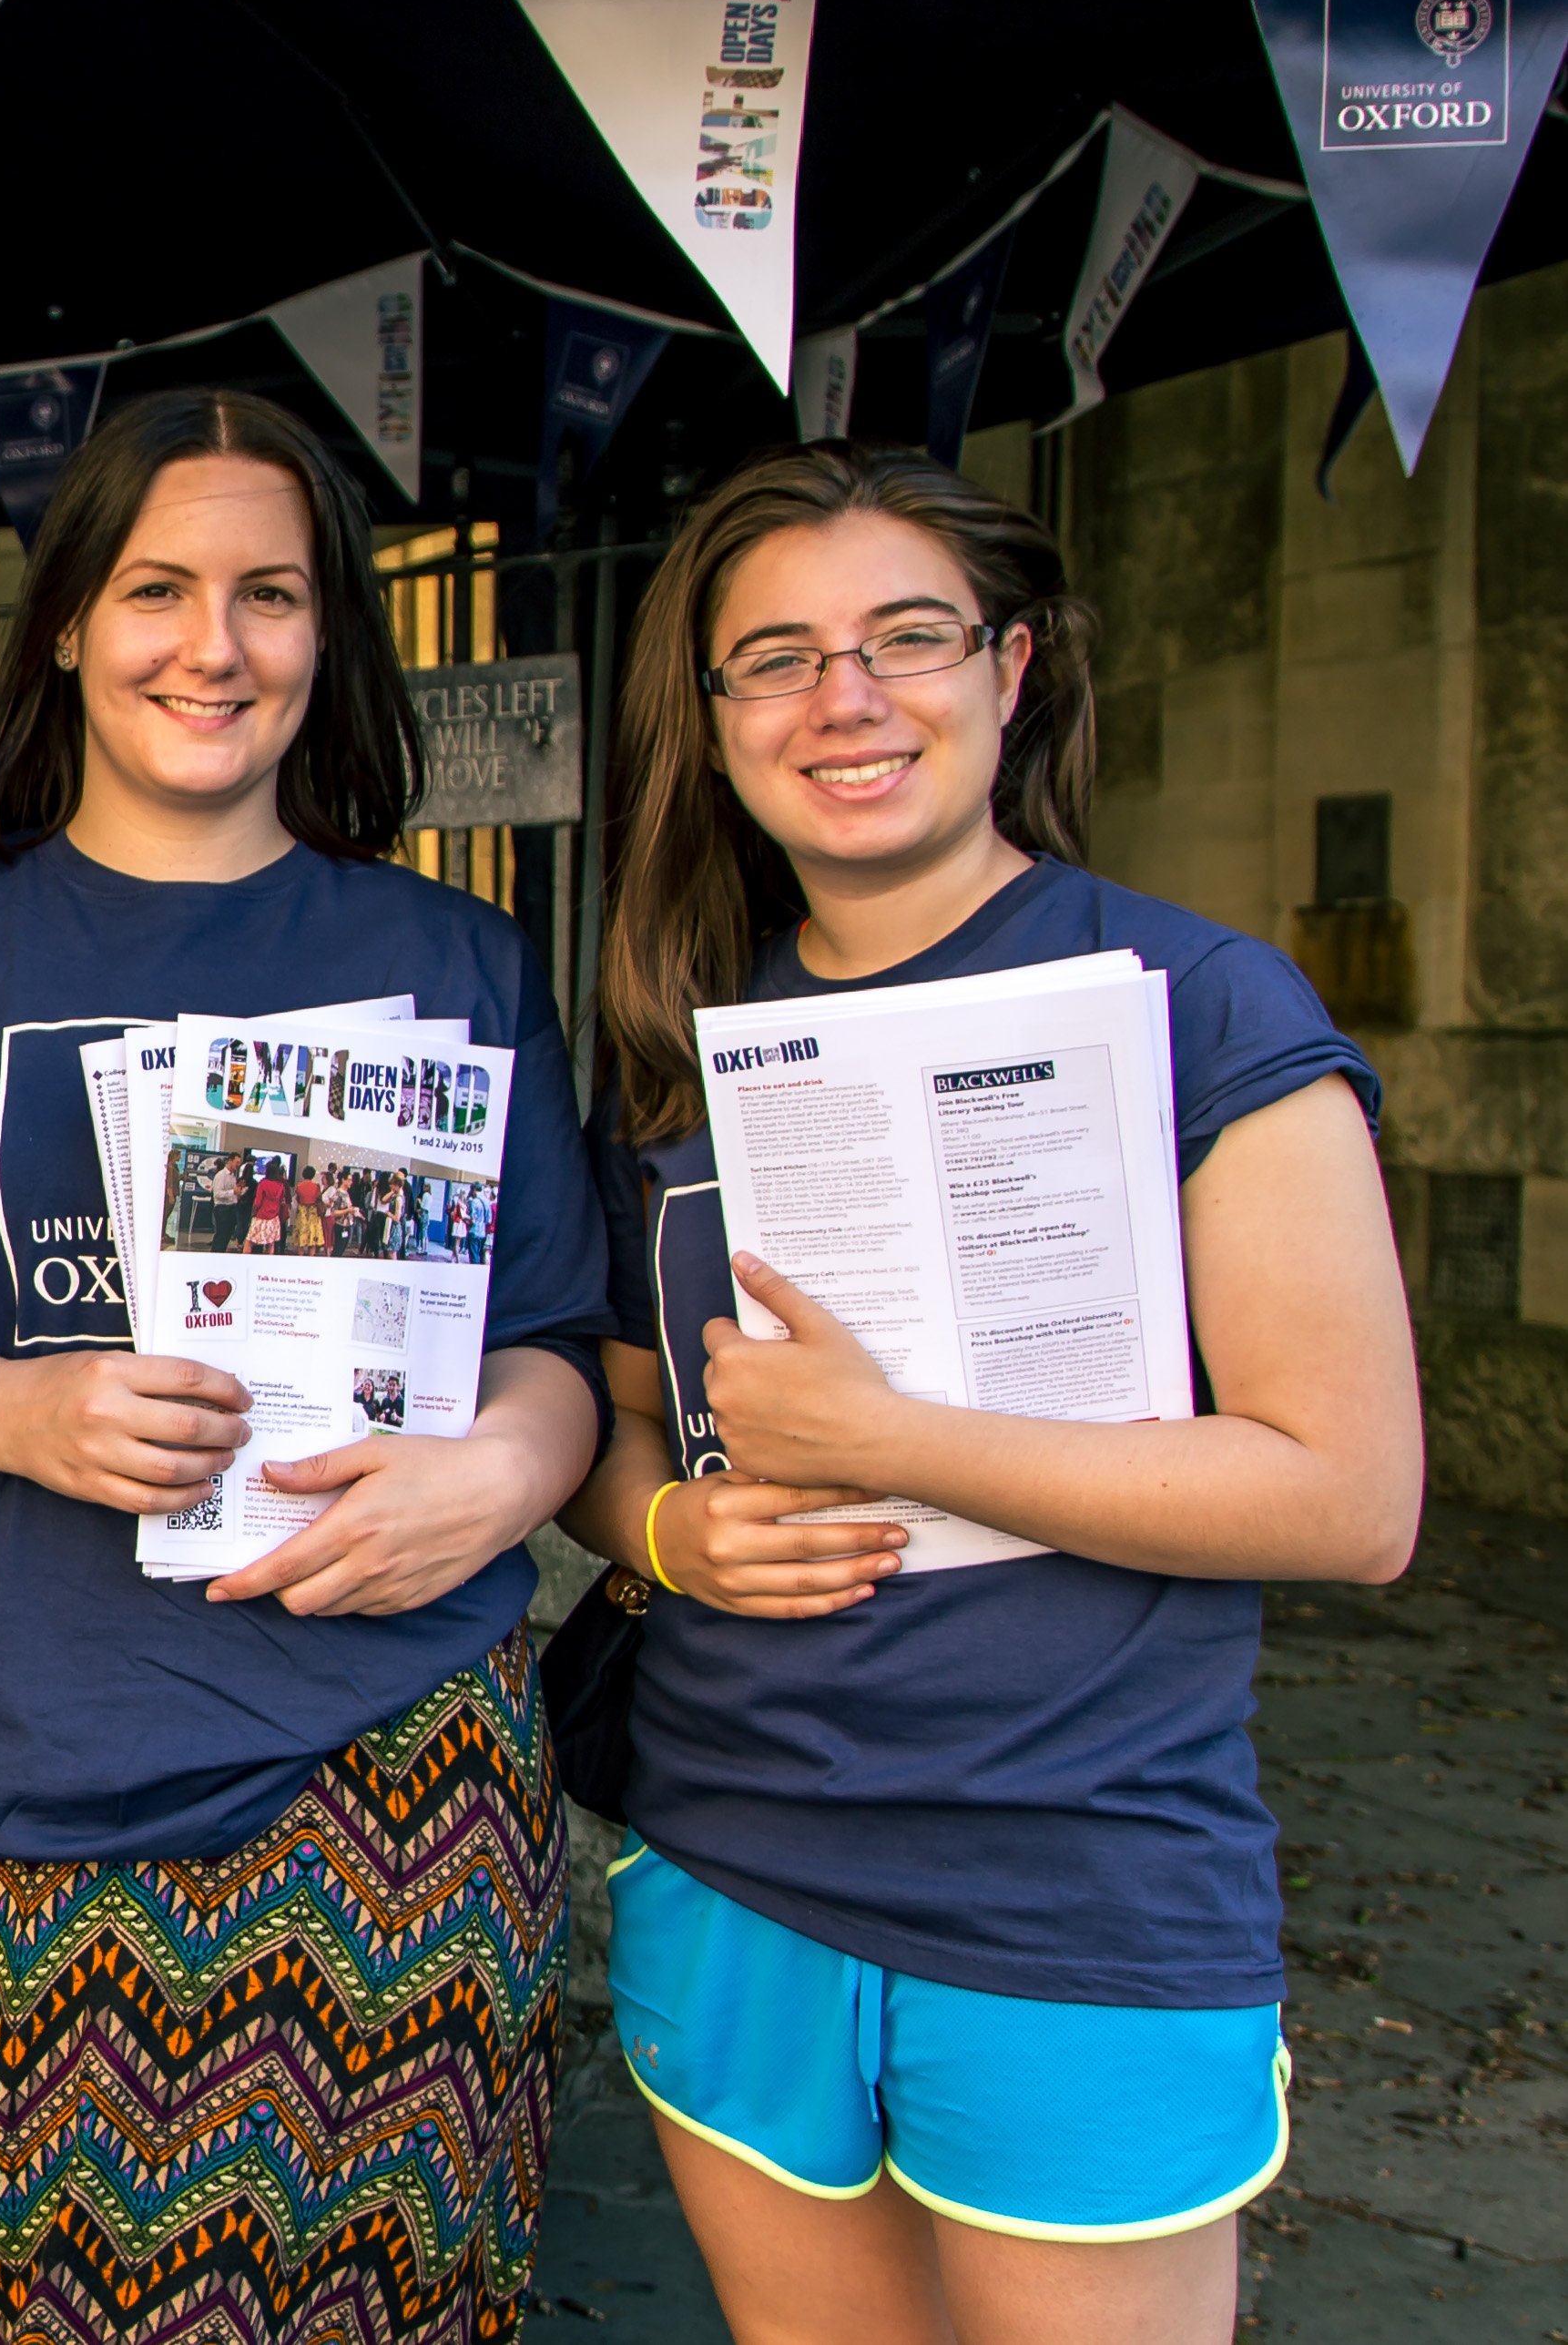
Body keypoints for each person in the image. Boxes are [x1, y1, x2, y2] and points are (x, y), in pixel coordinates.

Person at [0, 388, 610, 2344]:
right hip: (8, 1777)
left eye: (269, 594)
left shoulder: (447, 958)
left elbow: (554, 1342)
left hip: (388, 1783)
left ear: (329, 638)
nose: (209, 645)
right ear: (64, 620)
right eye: (154, 587)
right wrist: (13, 1412)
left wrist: (502, 1477)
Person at [557, 442, 1413, 2344]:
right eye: (772, 656)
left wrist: (891, 1444)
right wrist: (676, 1527)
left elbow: (1350, 1490)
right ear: (709, 723)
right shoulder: (688, 1042)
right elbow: (614, 1431)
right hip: (729, 1849)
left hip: (1073, 1878)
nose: (841, 698)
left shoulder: (1198, 1003)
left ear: (1011, 671)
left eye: (904, 636)